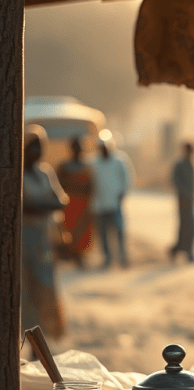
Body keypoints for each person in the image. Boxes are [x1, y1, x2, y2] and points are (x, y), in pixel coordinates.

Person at [21, 124, 69, 342]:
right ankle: (27, 338)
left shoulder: (44, 172)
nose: (38, 152)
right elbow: (23, 206)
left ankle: (41, 339)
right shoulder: (17, 174)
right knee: (26, 288)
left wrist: (39, 205)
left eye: (40, 147)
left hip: (43, 239)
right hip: (23, 239)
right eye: (34, 147)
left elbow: (60, 201)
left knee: (46, 287)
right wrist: (44, 205)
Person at [91, 136, 133, 269]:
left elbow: (128, 177)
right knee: (103, 233)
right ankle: (107, 258)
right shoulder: (94, 162)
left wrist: (123, 193)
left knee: (119, 231)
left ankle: (122, 257)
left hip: (115, 203)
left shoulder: (119, 160)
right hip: (100, 203)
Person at [56, 137, 95, 267]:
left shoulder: (88, 166)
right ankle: (71, 254)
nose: (78, 150)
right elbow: (58, 185)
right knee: (69, 229)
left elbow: (92, 186)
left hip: (84, 204)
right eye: (76, 147)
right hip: (69, 204)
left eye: (80, 147)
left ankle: (80, 255)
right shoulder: (64, 166)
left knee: (83, 230)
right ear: (72, 149)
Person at [169, 142, 194, 263]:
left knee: (190, 227)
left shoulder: (192, 164)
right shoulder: (180, 164)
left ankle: (179, 250)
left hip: (190, 200)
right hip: (183, 200)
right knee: (188, 227)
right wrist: (185, 193)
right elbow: (175, 181)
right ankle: (185, 251)